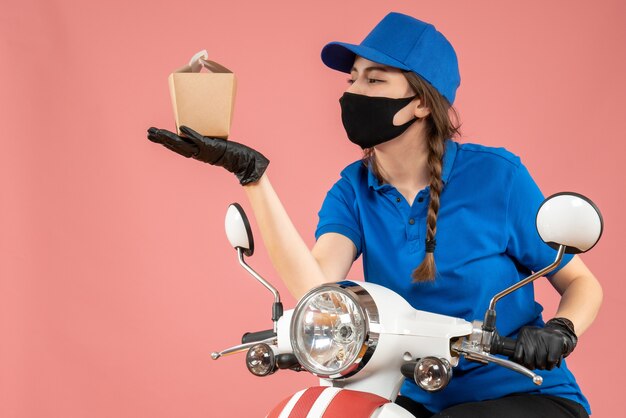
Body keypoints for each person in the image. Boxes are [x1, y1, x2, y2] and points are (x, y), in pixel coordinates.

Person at [147, 11, 602, 418]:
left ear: (422, 102)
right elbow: (317, 288)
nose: (353, 92)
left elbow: (582, 283)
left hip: (522, 393)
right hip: (414, 393)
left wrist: (562, 330)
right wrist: (252, 175)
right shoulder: (353, 189)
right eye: (352, 80)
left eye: (374, 80)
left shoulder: (497, 178)